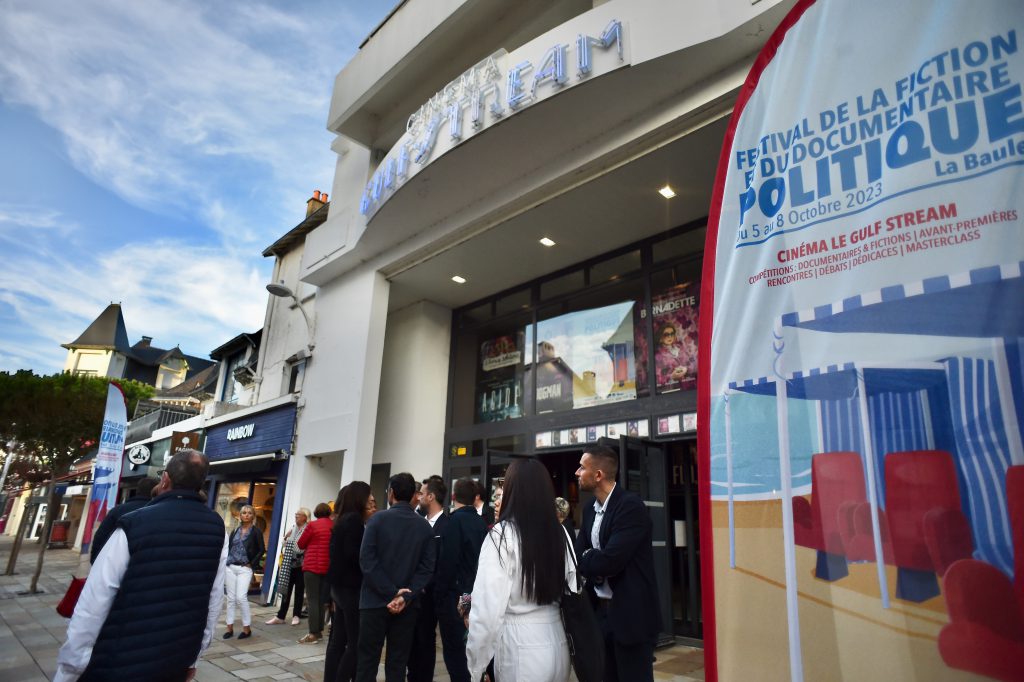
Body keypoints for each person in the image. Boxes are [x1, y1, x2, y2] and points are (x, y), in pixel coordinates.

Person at [55, 450, 227, 682]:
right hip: (175, 659)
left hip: (118, 660)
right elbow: (214, 599)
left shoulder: (133, 523)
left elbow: (95, 599)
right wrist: (194, 657)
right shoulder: (217, 528)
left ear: (165, 479)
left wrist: (71, 667)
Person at [466, 458, 578, 682]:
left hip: (519, 647)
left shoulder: (502, 535)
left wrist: (476, 666)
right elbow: (573, 587)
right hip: (558, 641)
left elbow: (487, 609)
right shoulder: (560, 533)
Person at [575, 444, 661, 682]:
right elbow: (577, 554)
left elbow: (611, 561)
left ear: (598, 475)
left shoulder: (630, 506)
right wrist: (593, 559)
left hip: (631, 617)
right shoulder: (589, 510)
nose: (577, 472)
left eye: (582, 467)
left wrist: (592, 559)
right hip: (600, 614)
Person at [355, 472, 436, 682]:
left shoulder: (376, 520)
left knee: (366, 663)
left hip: (373, 601)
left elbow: (367, 560)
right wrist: (404, 596)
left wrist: (391, 592)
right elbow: (427, 569)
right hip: (407, 606)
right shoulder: (424, 527)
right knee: (397, 664)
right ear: (413, 495)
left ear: (391, 493)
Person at [435, 476, 488, 682]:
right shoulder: (482, 523)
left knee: (455, 651)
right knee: (472, 649)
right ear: (475, 498)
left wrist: (439, 595)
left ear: (454, 496)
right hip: (477, 595)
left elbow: (447, 563)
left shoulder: (453, 522)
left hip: (455, 597)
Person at [408, 476, 448, 682]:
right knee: (412, 641)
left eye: (422, 494)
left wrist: (425, 585)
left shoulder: (446, 525)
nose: (418, 497)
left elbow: (443, 564)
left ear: (431, 496)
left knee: (425, 641)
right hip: (412, 595)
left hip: (430, 597)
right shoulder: (419, 522)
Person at [88, 475, 159, 563]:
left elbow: (101, 536)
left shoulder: (117, 510)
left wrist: (95, 561)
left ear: (138, 490)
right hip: (142, 563)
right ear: (156, 491)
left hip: (113, 561)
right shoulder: (158, 512)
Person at [223, 504, 265, 640]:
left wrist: (251, 564)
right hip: (230, 567)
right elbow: (229, 547)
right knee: (230, 598)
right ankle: (229, 627)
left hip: (244, 569)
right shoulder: (235, 530)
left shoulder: (256, 531)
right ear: (240, 515)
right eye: (244, 513)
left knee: (241, 598)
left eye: (249, 513)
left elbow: (261, 549)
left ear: (253, 516)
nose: (246, 515)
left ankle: (247, 628)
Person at [266, 507, 310, 626]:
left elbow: (301, 548)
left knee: (299, 591)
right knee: (286, 590)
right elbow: (285, 544)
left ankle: (296, 615)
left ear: (305, 517)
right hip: (289, 564)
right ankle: (281, 616)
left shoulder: (307, 529)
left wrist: (290, 541)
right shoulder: (293, 527)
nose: (296, 516)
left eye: (299, 514)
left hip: (301, 565)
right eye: (296, 514)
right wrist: (286, 537)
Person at [297, 502, 333, 643]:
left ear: (316, 513)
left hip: (311, 567)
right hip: (327, 567)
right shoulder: (333, 525)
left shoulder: (312, 525)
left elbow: (301, 544)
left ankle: (313, 633)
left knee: (312, 599)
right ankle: (319, 631)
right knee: (322, 600)